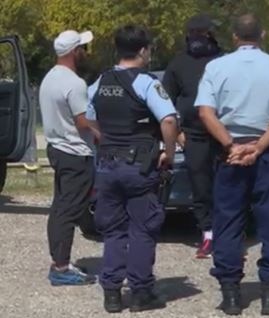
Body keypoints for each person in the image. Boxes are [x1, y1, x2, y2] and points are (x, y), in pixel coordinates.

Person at [194, 13, 269, 316]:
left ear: (234, 37)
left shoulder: (215, 67)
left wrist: (231, 145)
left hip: (230, 152)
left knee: (227, 222)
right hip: (267, 152)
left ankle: (230, 293)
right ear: (263, 34)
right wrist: (259, 146)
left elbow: (205, 112)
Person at [86, 25, 178, 313]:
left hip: (106, 165)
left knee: (113, 231)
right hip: (139, 166)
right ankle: (140, 292)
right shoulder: (147, 83)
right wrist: (169, 153)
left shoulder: (100, 81)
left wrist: (105, 143)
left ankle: (112, 292)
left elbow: (89, 120)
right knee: (142, 228)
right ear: (142, 51)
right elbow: (169, 120)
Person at [39, 29, 99, 286]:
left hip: (57, 148)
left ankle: (59, 260)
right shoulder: (75, 84)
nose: (85, 52)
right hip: (76, 153)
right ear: (74, 52)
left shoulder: (49, 78)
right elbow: (83, 120)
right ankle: (61, 268)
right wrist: (102, 134)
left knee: (60, 206)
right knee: (69, 209)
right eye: (82, 48)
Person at [163, 13, 222, 259]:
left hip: (223, 136)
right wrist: (177, 135)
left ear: (211, 35)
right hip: (193, 136)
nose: (199, 39)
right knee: (201, 188)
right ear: (188, 36)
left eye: (204, 34)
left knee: (226, 186)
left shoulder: (223, 60)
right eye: (194, 35)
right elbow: (165, 103)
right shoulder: (178, 64)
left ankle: (228, 233)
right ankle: (207, 234)